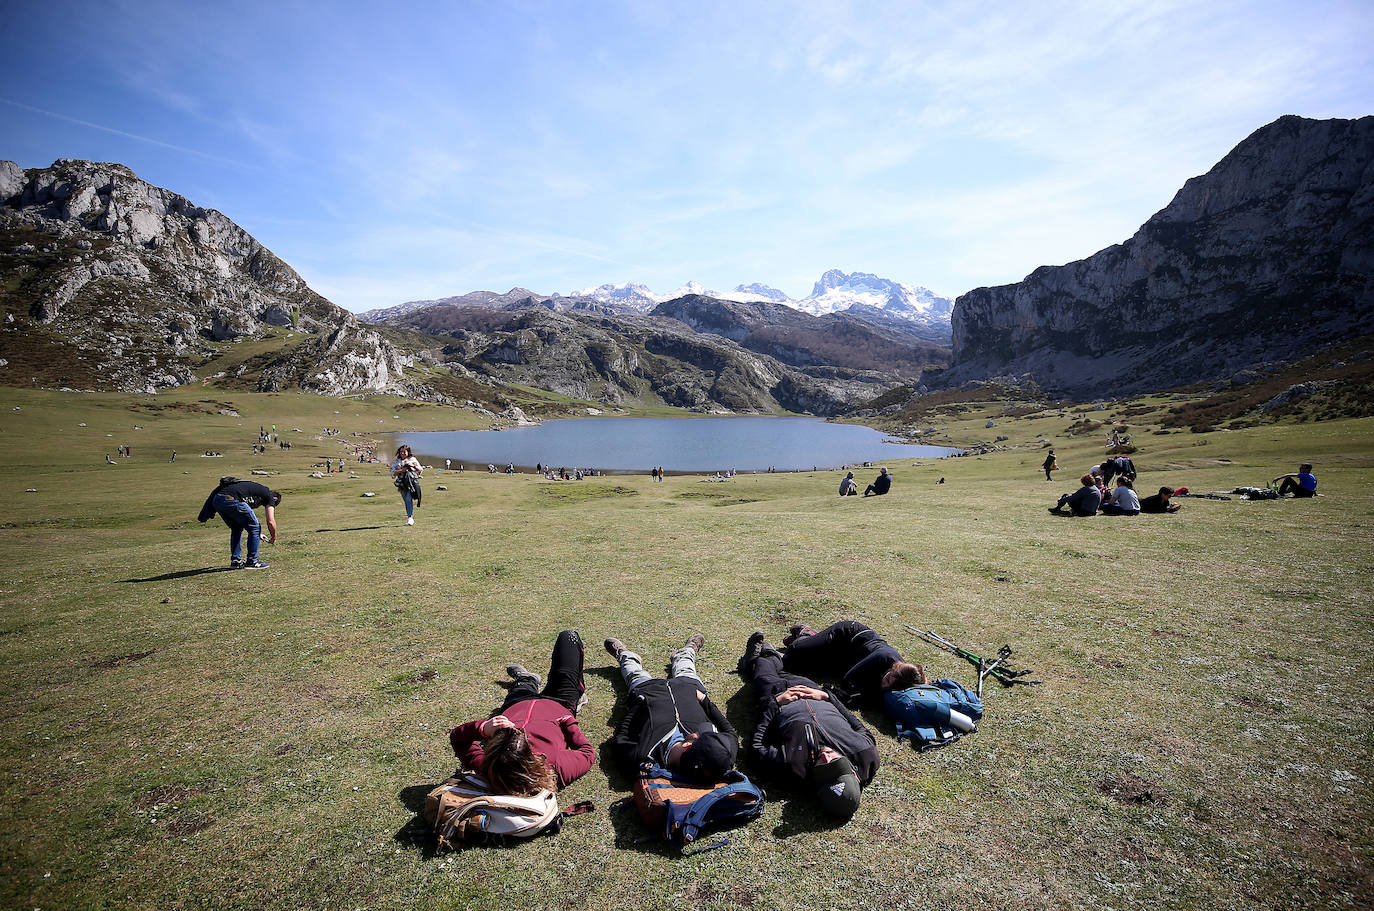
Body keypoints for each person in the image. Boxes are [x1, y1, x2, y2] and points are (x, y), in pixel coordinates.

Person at [737, 632, 877, 818]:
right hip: (812, 692)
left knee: (764, 671)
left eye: (823, 766)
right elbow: (857, 725)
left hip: (777, 697)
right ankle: (768, 658)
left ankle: (757, 660)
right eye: (836, 762)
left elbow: (756, 749)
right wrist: (827, 697)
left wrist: (775, 704)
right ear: (854, 775)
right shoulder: (865, 753)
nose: (826, 757)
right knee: (790, 670)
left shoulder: (792, 767)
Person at [448, 630, 593, 794]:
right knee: (568, 637)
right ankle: (578, 693)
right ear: (532, 758)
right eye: (518, 733)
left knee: (523, 687)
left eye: (503, 735)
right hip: (559, 703)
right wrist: (568, 722)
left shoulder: (487, 769)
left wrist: (483, 728)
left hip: (516, 704)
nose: (516, 729)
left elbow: (457, 739)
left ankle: (527, 679)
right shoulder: (554, 768)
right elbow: (587, 754)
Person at [605, 633, 737, 783]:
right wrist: (705, 701)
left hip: (649, 691)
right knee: (686, 668)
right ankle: (688, 651)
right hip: (688, 688)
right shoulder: (721, 759)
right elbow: (730, 733)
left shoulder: (644, 756)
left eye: (701, 735)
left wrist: (637, 705)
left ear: (687, 745)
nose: (702, 731)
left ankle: (625, 654)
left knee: (634, 673)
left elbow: (621, 740)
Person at [781, 620, 921, 706]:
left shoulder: (903, 680)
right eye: (889, 679)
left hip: (849, 659)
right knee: (790, 657)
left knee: (808, 669)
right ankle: (807, 634)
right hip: (845, 636)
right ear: (893, 670)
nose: (885, 685)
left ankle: (815, 643)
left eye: (890, 687)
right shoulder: (883, 656)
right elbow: (848, 680)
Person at [197, 478, 280, 569]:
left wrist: (258, 534)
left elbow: (246, 520)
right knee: (255, 527)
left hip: (218, 500)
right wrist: (273, 536)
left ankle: (236, 561)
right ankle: (252, 561)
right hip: (230, 499)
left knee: (237, 527)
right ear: (275, 499)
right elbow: (270, 521)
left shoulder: (253, 495)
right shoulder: (268, 495)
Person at [391, 444, 423, 525]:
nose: (402, 453)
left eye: (404, 452)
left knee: (409, 498)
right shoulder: (396, 461)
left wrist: (413, 466)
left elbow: (420, 470)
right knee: (406, 500)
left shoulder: (412, 459)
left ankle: (410, 518)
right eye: (401, 452)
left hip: (411, 482)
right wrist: (402, 470)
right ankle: (410, 516)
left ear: (408, 452)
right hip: (401, 484)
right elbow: (392, 473)